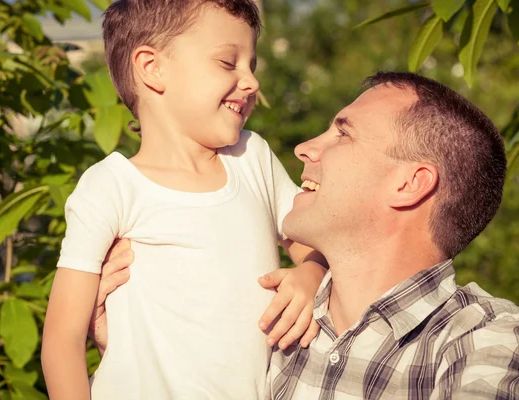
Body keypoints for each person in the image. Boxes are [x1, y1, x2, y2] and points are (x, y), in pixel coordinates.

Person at [95, 72, 519, 399]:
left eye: (343, 134)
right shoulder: (270, 319)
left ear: (410, 183)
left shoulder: (490, 342)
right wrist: (140, 344)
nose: (304, 148)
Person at [41, 1, 328, 399]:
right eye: (228, 63)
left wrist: (313, 275)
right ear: (152, 68)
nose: (251, 82)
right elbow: (62, 338)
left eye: (252, 66)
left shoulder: (252, 157)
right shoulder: (111, 186)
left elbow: (318, 247)